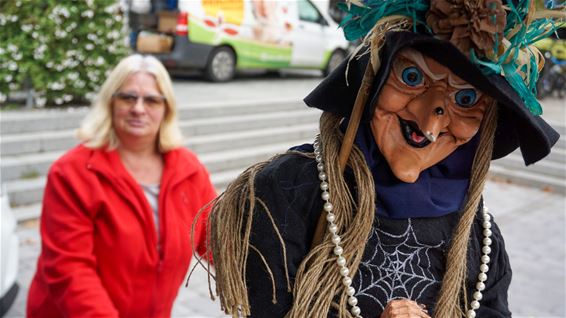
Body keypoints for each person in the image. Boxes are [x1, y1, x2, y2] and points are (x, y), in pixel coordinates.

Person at [203, 0, 564, 317]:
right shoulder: (288, 191)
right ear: (374, 80)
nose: (429, 121)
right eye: (412, 77)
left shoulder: (480, 236)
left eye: (466, 100)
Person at [27, 54, 216, 317]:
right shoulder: (72, 173)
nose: (138, 108)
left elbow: (215, 240)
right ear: (110, 103)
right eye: (128, 97)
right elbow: (70, 269)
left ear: (166, 109)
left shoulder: (189, 170)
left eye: (151, 100)